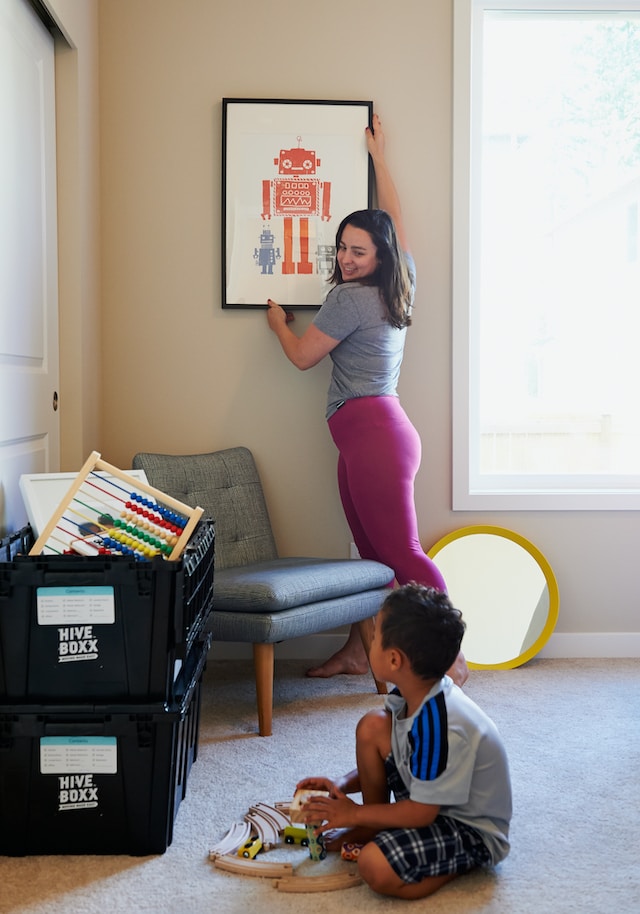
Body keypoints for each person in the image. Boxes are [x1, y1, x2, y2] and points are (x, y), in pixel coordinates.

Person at [266, 113, 467, 685]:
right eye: (343, 249)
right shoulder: (399, 271)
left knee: (401, 554)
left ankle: (452, 655)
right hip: (372, 437)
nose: (348, 259)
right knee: (370, 559)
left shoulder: (350, 299)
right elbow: (396, 222)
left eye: (359, 251)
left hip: (374, 437)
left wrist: (280, 324)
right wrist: (379, 158)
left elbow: (304, 356)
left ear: (377, 255)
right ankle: (361, 651)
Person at [295, 583, 512, 901]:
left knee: (375, 866)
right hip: (433, 798)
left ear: (394, 660)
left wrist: (352, 815)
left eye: (375, 636)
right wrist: (342, 785)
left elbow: (421, 814)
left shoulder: (438, 726)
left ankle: (462, 864)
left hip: (468, 827)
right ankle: (376, 822)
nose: (370, 640)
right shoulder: (414, 692)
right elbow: (397, 751)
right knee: (372, 726)